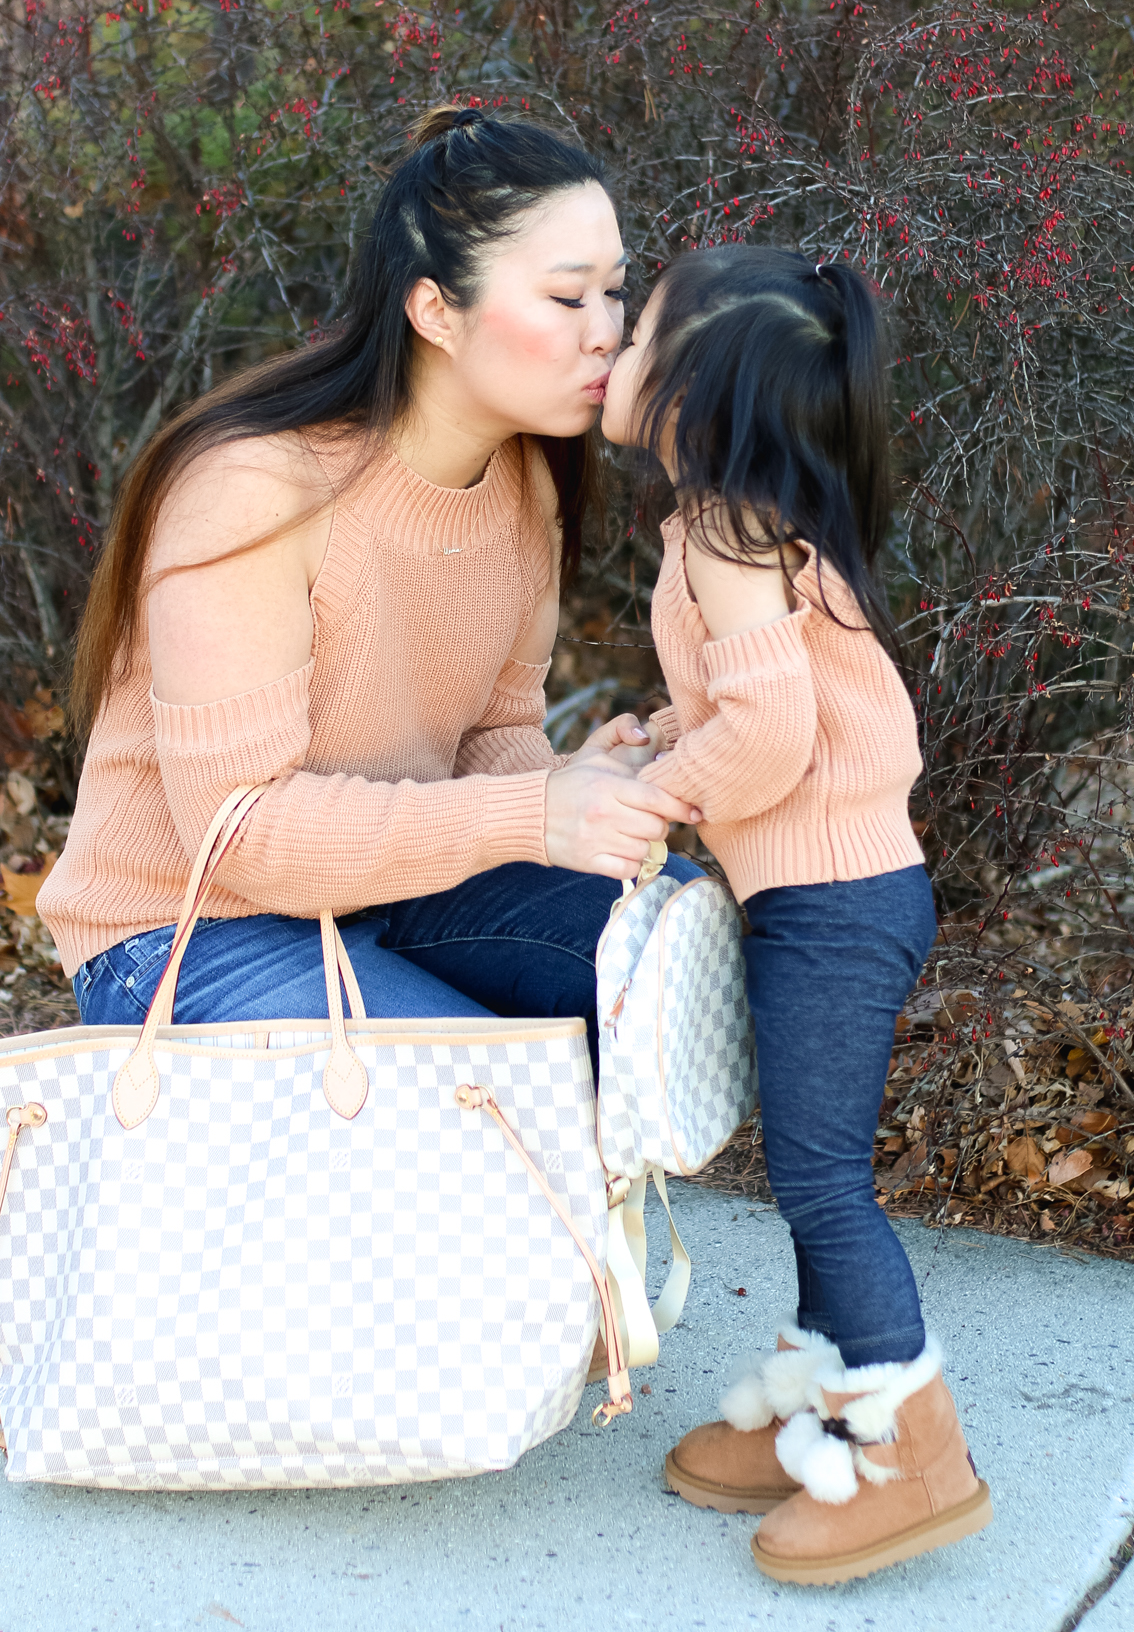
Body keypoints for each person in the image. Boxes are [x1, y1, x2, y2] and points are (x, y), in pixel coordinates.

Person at [38, 106, 700, 1054]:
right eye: (567, 299)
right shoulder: (257, 490)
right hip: (187, 930)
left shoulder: (525, 484)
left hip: (388, 897)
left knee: (663, 928)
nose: (608, 334)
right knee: (503, 1097)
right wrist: (532, 814)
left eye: (616, 291)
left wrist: (580, 788)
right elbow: (240, 834)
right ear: (435, 310)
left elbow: (487, 739)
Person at [600, 244, 992, 1585]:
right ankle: (832, 1404)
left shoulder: (725, 533)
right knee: (805, 1173)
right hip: (833, 889)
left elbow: (766, 740)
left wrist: (653, 795)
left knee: (824, 1182)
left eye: (636, 329)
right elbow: (757, 708)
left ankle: (911, 1449)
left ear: (699, 386)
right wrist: (663, 730)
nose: (610, 342)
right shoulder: (739, 527)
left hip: (831, 900)